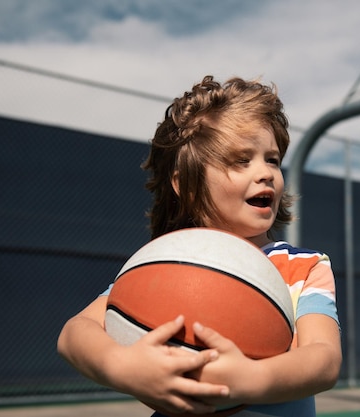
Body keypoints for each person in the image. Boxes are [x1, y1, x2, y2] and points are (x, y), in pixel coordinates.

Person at [57, 75, 342, 417]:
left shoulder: (304, 267)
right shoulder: (162, 264)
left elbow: (324, 358)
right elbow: (74, 333)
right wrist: (121, 364)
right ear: (187, 184)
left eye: (272, 159)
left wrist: (252, 378)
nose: (266, 173)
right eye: (241, 160)